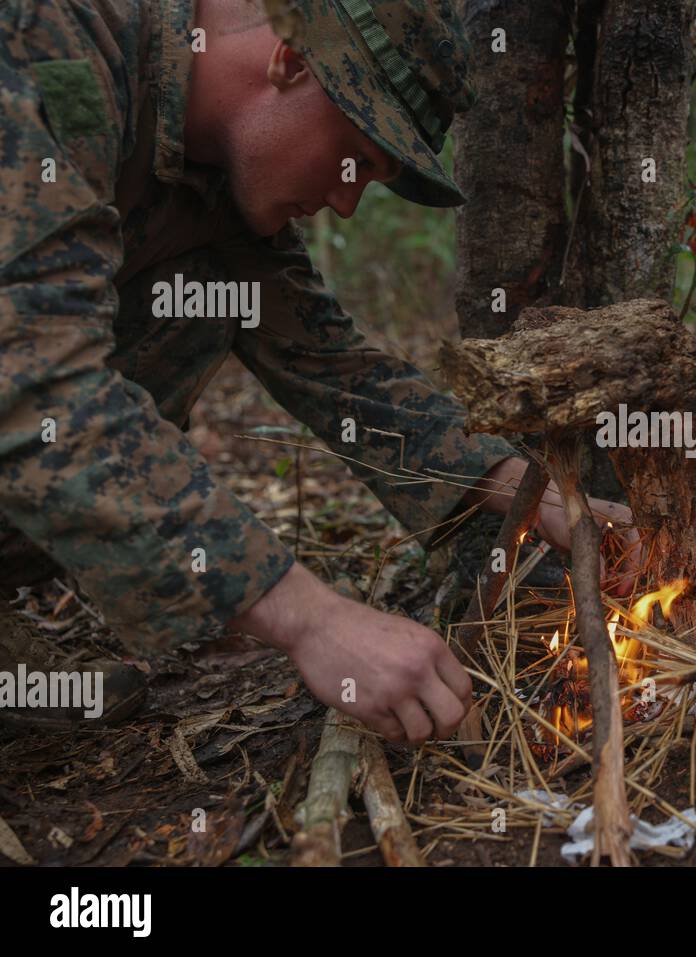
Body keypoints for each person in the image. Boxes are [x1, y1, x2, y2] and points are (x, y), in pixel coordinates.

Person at [0, 0, 636, 740]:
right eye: (357, 159)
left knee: (208, 293)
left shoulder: (212, 187)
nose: (345, 201)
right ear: (291, 61)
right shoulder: (43, 42)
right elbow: (32, 380)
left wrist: (517, 489)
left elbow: (331, 365)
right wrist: (312, 618)